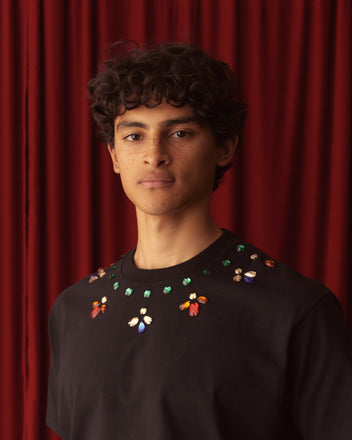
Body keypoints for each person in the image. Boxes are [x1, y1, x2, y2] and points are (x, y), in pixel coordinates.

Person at [46, 42, 352, 440]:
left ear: (224, 148)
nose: (154, 155)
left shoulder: (293, 309)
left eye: (179, 132)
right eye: (135, 136)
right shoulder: (72, 310)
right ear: (114, 156)